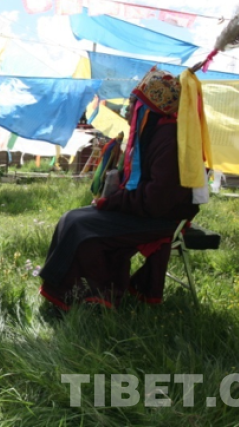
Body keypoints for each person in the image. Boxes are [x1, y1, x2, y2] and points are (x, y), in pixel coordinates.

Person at [38, 68, 201, 312]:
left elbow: (158, 199)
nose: (128, 110)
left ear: (149, 109)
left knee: (83, 228)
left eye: (134, 104)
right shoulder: (153, 134)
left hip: (162, 218)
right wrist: (113, 193)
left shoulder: (169, 138)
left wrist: (113, 202)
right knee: (71, 218)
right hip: (144, 210)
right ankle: (66, 294)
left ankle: (93, 299)